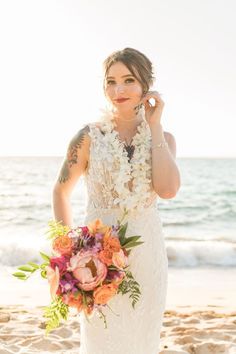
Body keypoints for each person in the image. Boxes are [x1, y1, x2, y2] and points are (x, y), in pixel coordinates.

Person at [52, 47, 181, 354]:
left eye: (128, 80)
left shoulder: (163, 138)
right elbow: (60, 191)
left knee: (142, 341)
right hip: (95, 259)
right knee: (101, 340)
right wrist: (69, 250)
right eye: (111, 81)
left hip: (147, 257)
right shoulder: (88, 136)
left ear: (146, 85)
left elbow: (167, 190)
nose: (118, 89)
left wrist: (155, 125)